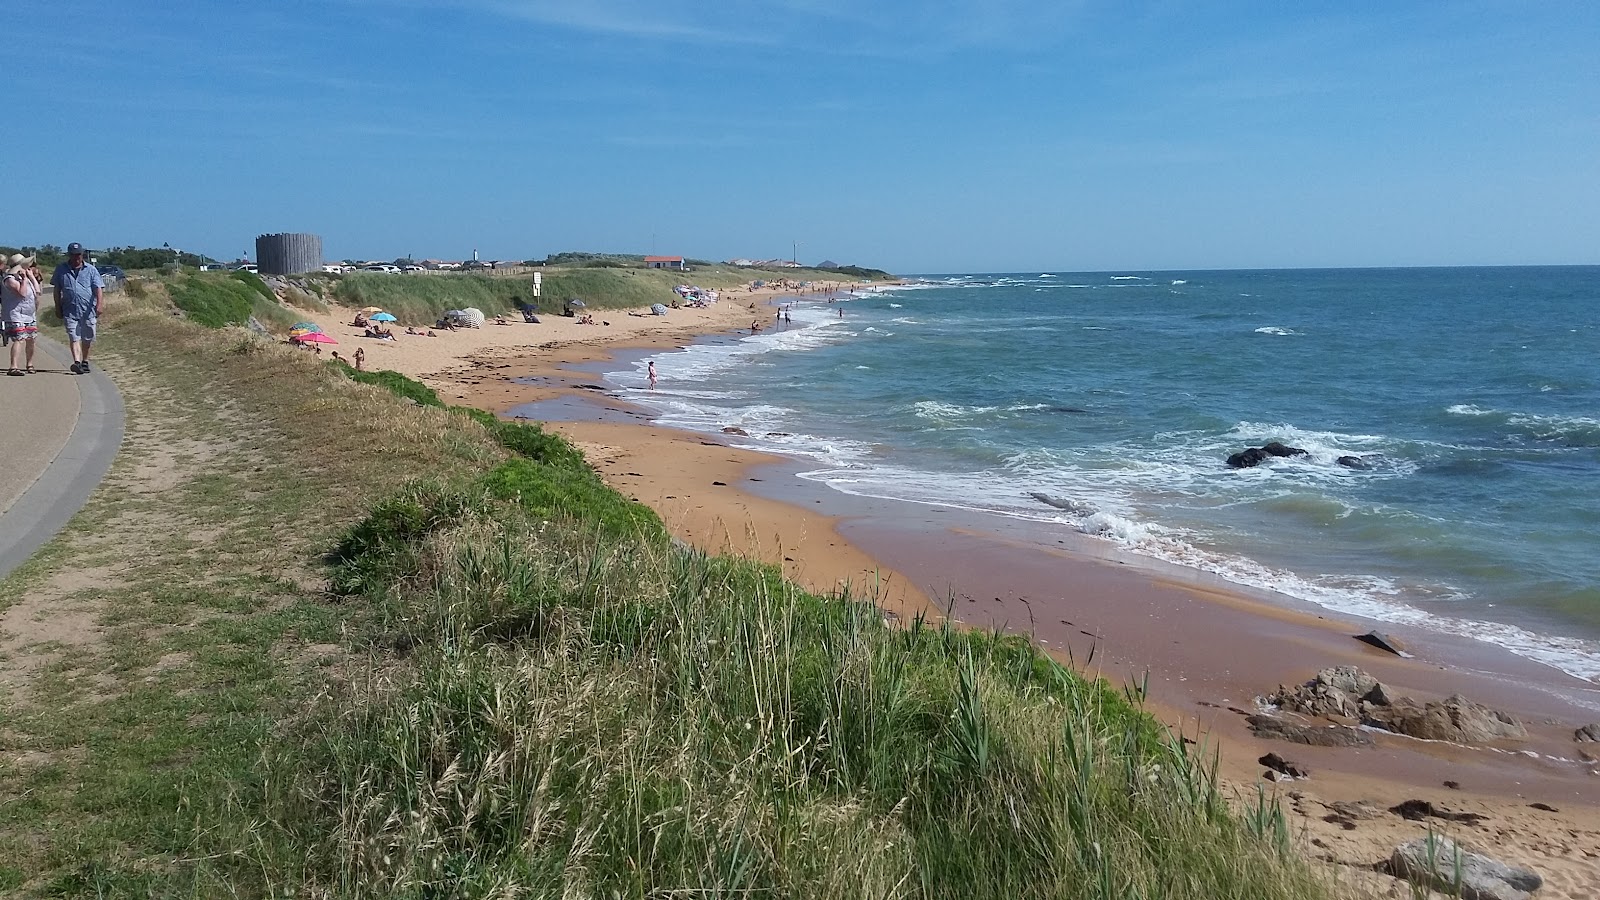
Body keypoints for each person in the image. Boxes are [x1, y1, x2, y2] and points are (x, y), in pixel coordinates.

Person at [52, 243, 103, 374]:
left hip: (88, 310)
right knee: (74, 336)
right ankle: (77, 362)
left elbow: (98, 288)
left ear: (82, 255)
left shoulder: (91, 270)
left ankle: (85, 361)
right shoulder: (61, 269)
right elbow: (57, 289)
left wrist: (99, 304)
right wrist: (57, 307)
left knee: (87, 337)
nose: (76, 258)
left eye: (78, 255)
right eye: (74, 255)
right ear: (69, 255)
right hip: (70, 309)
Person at [2, 254, 41, 375]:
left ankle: (30, 364)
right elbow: (22, 293)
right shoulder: (9, 279)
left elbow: (38, 291)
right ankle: (13, 366)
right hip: (15, 314)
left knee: (31, 339)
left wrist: (31, 278)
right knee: (19, 339)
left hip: (29, 314)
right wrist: (24, 279)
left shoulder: (25, 278)